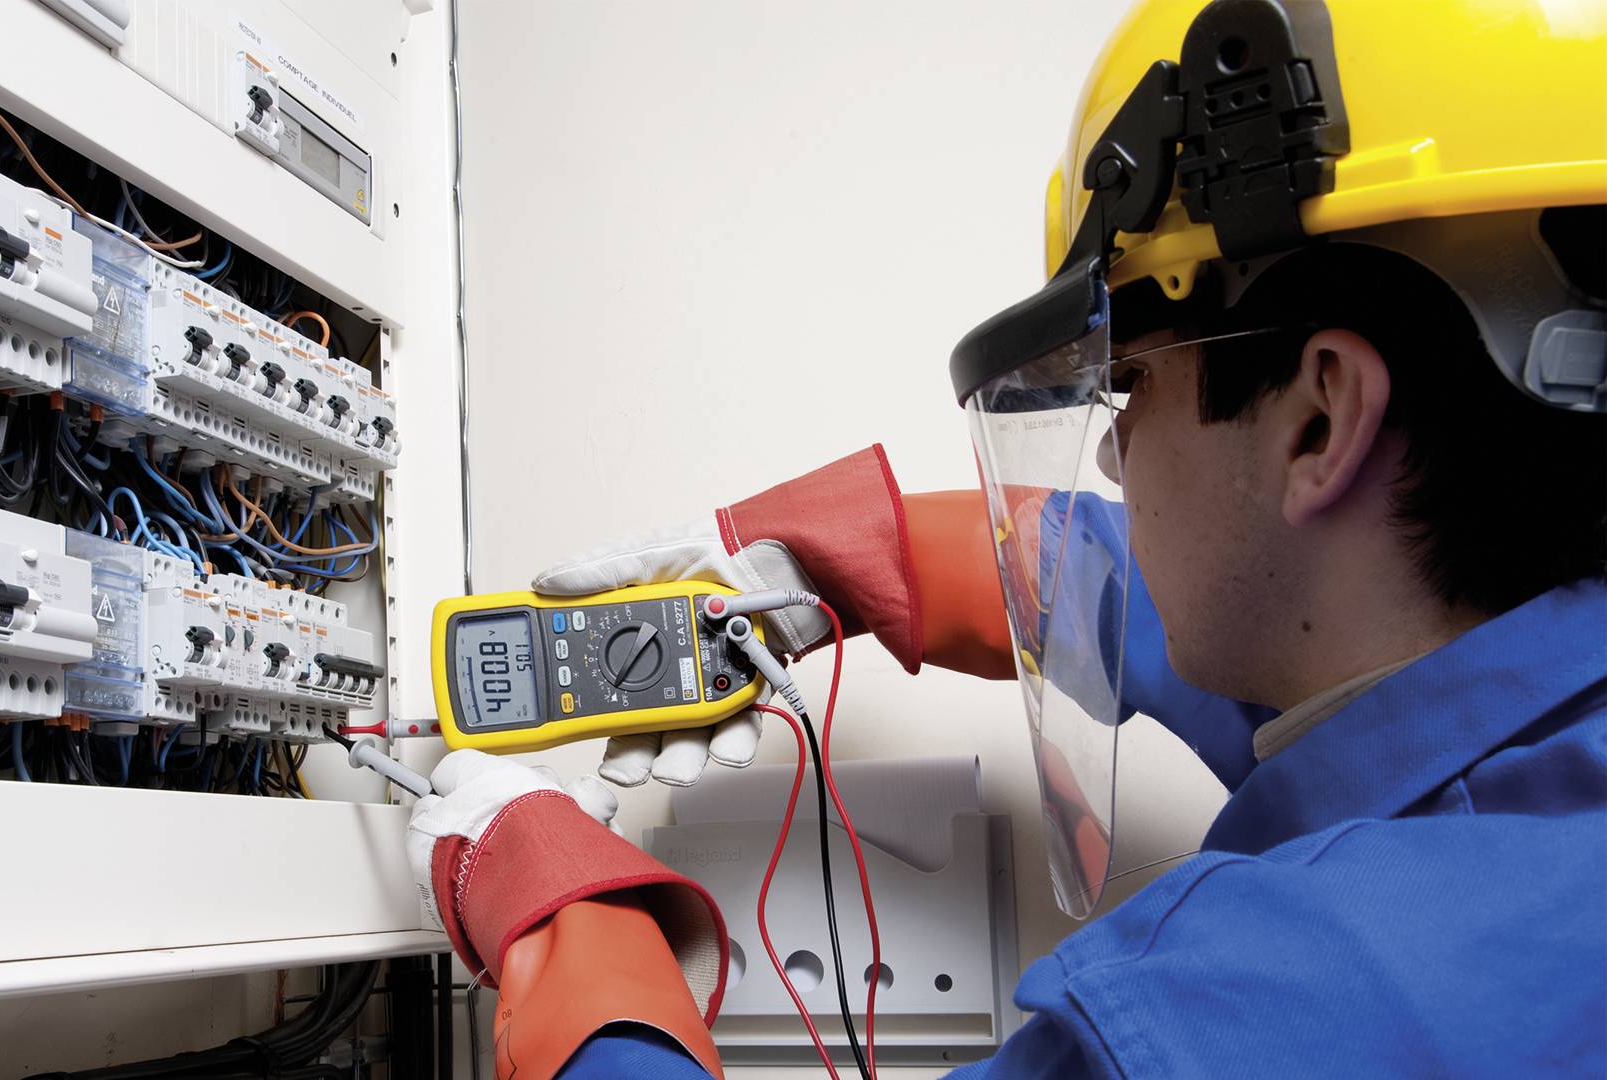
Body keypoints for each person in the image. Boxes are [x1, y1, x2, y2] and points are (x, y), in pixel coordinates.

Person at [406, 0, 1607, 1075]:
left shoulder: (1252, 1017)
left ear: (1318, 420)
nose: (1110, 449)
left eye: (1127, 386)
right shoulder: (1540, 749)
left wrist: (567, 923)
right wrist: (860, 561)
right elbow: (1284, 638)